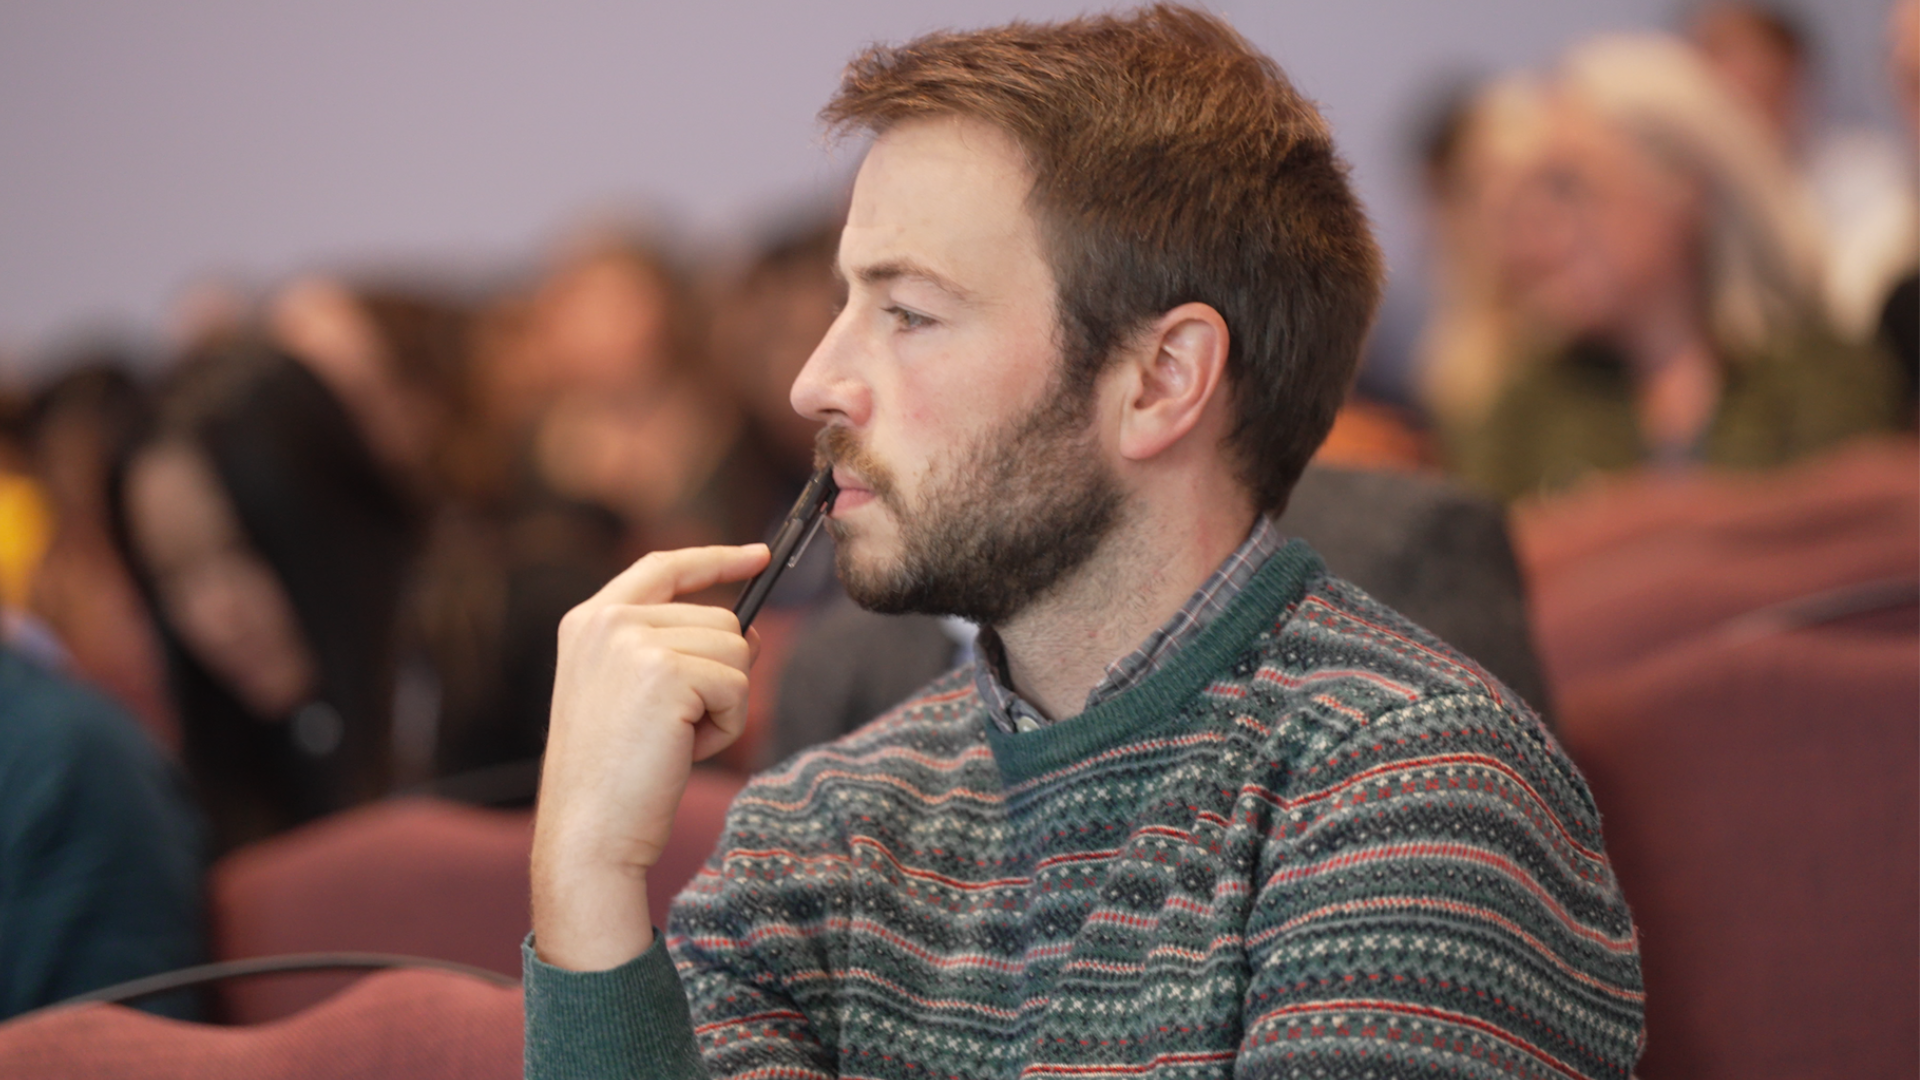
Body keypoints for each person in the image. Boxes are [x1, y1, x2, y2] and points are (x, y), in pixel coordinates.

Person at [524, 8, 1645, 1080]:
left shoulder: (1417, 792)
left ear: (1159, 381)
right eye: (843, 306)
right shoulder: (821, 833)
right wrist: (585, 885)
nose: (815, 382)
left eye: (907, 312)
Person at [1454, 34, 1899, 502]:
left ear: (1684, 182)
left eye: (1567, 186)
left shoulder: (1827, 376)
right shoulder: (1520, 412)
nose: (1537, 232)